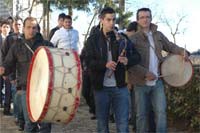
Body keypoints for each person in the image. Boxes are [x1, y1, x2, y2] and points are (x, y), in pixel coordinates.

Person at [128, 8, 189, 133]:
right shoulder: (133, 39)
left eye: (147, 17)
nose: (145, 19)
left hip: (158, 82)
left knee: (161, 112)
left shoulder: (158, 35)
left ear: (151, 18)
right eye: (142, 17)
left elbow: (170, 46)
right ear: (137, 20)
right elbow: (130, 62)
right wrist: (145, 73)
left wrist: (182, 51)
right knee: (141, 115)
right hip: (140, 82)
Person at [84, 7, 141, 133]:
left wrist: (127, 60)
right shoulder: (93, 39)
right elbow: (87, 61)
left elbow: (137, 56)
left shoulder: (122, 38)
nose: (112, 23)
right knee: (103, 125)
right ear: (101, 20)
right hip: (101, 88)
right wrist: (104, 64)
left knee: (123, 124)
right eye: (108, 19)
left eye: (113, 19)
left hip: (120, 87)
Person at [0, 17, 52, 132]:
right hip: (25, 89)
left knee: (45, 124)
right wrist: (3, 69)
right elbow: (8, 63)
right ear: (23, 28)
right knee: (30, 124)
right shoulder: (16, 45)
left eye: (34, 28)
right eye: (28, 27)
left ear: (37, 29)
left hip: (44, 89)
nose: (31, 30)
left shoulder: (46, 44)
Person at [1, 16, 24, 130]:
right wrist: (5, 72)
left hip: (24, 73)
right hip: (12, 73)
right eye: (16, 24)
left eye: (20, 24)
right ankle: (17, 117)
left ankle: (22, 117)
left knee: (22, 96)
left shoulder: (26, 38)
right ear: (13, 26)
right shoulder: (9, 39)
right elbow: (4, 55)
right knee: (15, 95)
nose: (18, 26)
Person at [0, 20, 11, 115]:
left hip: (7, 68)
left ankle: (6, 109)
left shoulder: (12, 39)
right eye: (4, 26)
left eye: (7, 27)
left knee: (8, 88)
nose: (5, 28)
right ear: (0, 28)